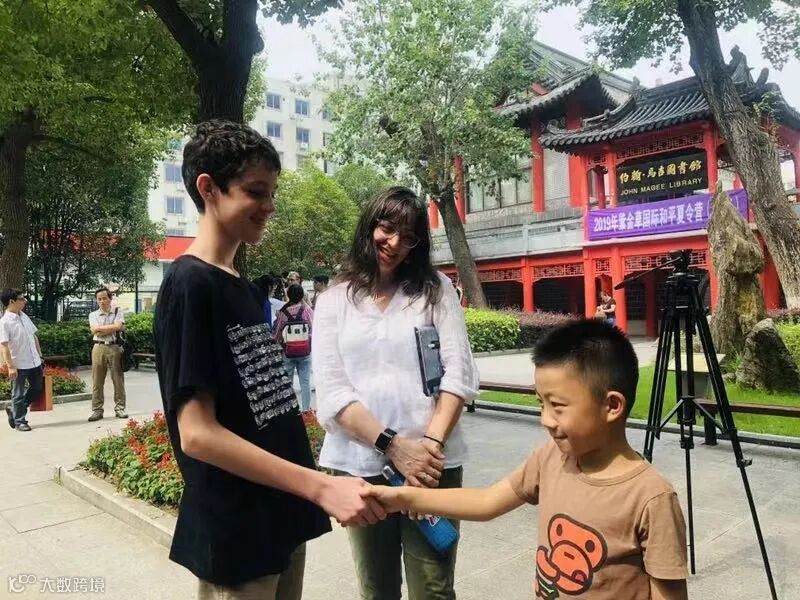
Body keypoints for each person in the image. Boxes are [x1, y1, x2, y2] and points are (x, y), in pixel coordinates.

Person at [153, 120, 385, 600]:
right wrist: (319, 487)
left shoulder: (241, 286)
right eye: (256, 192)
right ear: (208, 188)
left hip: (279, 519)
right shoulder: (190, 284)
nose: (270, 206)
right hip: (238, 534)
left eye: (272, 193)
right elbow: (197, 434)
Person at [365, 320, 689, 600]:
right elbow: (487, 501)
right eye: (540, 404)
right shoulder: (551, 458)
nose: (545, 420)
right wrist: (405, 497)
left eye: (557, 406)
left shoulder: (651, 497)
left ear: (612, 406)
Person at [313, 186, 479, 600]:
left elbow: (459, 373)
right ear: (369, 226)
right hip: (363, 468)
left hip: (431, 469)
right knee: (377, 588)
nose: (394, 243)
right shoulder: (334, 300)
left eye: (408, 237)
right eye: (387, 229)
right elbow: (332, 392)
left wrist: (428, 449)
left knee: (433, 590)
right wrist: (393, 446)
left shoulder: (434, 290)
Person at [0, 289, 43, 432]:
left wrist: (40, 356)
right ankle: (20, 421)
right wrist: (10, 366)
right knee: (17, 394)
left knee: (37, 389)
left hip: (34, 361)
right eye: (22, 298)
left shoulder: (24, 316)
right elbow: (4, 346)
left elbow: (33, 336)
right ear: (11, 301)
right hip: (19, 364)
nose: (25, 301)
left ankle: (14, 410)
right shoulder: (4, 322)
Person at [88, 287, 127, 421]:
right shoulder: (93, 315)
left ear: (110, 299)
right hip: (98, 347)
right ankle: (97, 410)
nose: (102, 301)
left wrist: (101, 329)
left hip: (114, 347)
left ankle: (120, 408)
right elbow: (94, 330)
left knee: (118, 379)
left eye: (104, 298)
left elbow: (118, 326)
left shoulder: (117, 312)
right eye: (99, 299)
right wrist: (112, 328)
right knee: (97, 381)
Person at [274, 284, 314, 411]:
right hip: (305, 352)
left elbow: (277, 333)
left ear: (288, 295)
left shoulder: (283, 312)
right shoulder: (306, 310)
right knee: (305, 382)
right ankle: (306, 410)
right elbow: (315, 327)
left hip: (288, 352)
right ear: (302, 295)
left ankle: (291, 410)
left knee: (288, 383)